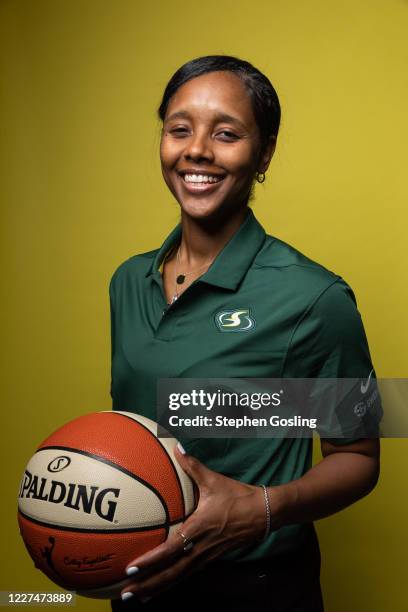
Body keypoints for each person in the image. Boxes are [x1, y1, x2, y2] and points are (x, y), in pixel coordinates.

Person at [109, 55, 381, 611]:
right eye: (178, 129)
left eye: (226, 133)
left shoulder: (314, 297)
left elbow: (358, 455)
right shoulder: (126, 281)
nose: (197, 150)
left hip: (255, 588)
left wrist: (261, 508)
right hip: (139, 577)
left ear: (264, 152)